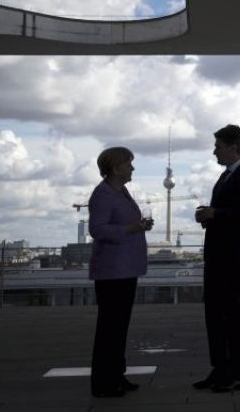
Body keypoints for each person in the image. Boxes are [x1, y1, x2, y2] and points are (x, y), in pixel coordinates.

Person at [193, 125, 240, 393]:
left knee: (234, 315)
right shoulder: (224, 177)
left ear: (234, 147)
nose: (214, 152)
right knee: (214, 315)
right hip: (218, 257)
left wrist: (216, 214)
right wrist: (208, 216)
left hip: (233, 258)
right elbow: (229, 213)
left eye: (218, 147)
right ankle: (220, 369)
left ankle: (237, 375)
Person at [88, 146, 153, 398]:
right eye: (128, 163)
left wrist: (137, 227)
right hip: (112, 271)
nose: (132, 168)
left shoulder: (121, 191)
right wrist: (131, 229)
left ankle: (116, 375)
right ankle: (104, 383)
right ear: (115, 168)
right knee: (110, 327)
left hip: (125, 269)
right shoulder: (103, 194)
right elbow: (98, 229)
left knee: (118, 326)